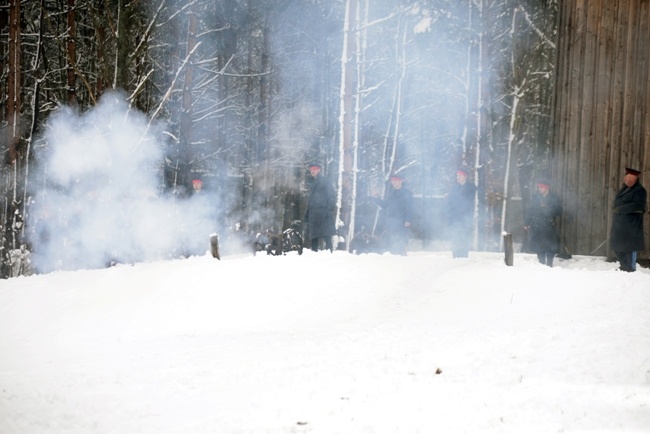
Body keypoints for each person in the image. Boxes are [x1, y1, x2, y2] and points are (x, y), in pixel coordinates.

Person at [610, 167, 647, 272]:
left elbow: (638, 205)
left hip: (631, 224)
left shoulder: (639, 190)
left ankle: (629, 268)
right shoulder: (624, 188)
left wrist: (621, 209)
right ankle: (624, 265)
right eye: (625, 178)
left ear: (633, 179)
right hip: (620, 222)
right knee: (617, 246)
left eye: (628, 178)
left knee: (628, 247)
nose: (625, 180)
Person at [524, 179, 562, 267]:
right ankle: (541, 264)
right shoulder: (535, 197)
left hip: (549, 225)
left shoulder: (554, 198)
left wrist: (548, 209)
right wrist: (527, 222)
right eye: (539, 187)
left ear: (546, 187)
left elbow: (559, 211)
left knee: (550, 245)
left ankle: (549, 264)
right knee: (538, 245)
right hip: (537, 224)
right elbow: (530, 210)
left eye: (541, 187)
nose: (539, 189)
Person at [373, 174, 414, 255]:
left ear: (401, 181)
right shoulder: (391, 193)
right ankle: (393, 254)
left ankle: (403, 254)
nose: (394, 182)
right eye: (392, 181)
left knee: (401, 238)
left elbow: (410, 207)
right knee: (391, 238)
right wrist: (376, 198)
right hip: (391, 220)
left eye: (396, 180)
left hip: (402, 221)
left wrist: (408, 219)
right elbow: (385, 205)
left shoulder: (407, 193)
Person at [304, 163, 337, 252]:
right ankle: (315, 254)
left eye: (314, 169)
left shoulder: (325, 180)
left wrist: (329, 209)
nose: (312, 171)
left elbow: (331, 195)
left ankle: (330, 253)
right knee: (314, 237)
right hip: (314, 214)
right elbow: (311, 200)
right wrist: (307, 214)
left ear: (319, 170)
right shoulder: (312, 182)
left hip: (323, 212)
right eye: (311, 170)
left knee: (326, 235)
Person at [447, 168, 477, 258]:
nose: (458, 177)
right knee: (455, 237)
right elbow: (450, 202)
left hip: (465, 218)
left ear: (465, 176)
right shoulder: (454, 187)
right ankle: (455, 255)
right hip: (454, 218)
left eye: (460, 175)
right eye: (457, 175)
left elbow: (467, 202)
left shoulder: (471, 187)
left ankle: (463, 255)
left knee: (464, 237)